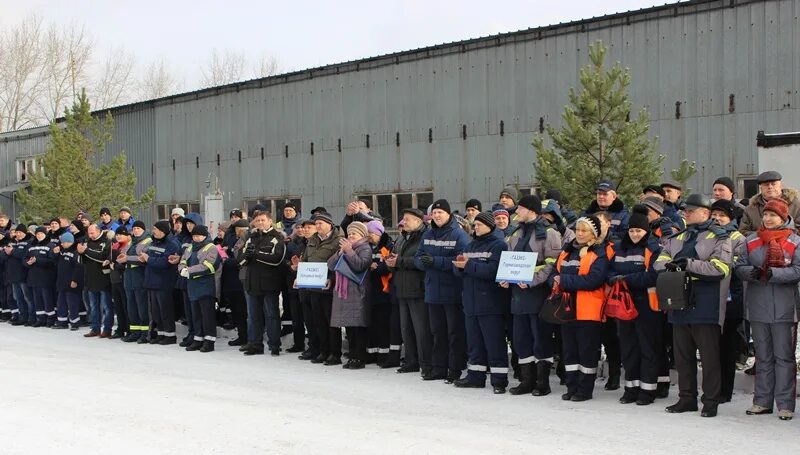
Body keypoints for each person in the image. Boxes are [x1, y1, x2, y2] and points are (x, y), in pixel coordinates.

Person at [656, 194, 732, 418]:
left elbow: (720, 269)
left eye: (691, 210)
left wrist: (688, 264)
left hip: (705, 304)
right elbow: (659, 263)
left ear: (705, 213)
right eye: (685, 210)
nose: (686, 214)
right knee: (683, 356)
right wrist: (673, 265)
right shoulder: (678, 237)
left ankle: (710, 402)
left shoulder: (720, 237)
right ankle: (686, 398)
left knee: (709, 358)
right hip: (678, 302)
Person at [735, 199, 798, 421]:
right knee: (763, 357)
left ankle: (785, 404)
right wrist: (746, 272)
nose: (768, 219)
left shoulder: (795, 242)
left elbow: (798, 270)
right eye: (766, 215)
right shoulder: (751, 241)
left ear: (783, 218)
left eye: (774, 215)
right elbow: (739, 265)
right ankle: (761, 401)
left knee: (784, 357)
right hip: (758, 306)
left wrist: (776, 274)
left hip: (784, 308)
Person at [503, 195, 562, 396]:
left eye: (520, 208)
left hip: (538, 294)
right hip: (518, 295)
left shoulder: (548, 233)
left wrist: (533, 279)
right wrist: (504, 277)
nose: (516, 212)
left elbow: (553, 263)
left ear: (531, 210)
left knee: (540, 338)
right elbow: (510, 260)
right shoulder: (516, 232)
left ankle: (542, 382)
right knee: (521, 339)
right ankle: (527, 381)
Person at [607, 212, 663, 405]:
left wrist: (625, 279)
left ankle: (647, 390)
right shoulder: (619, 248)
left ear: (645, 231)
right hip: (623, 303)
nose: (635, 234)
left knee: (647, 347)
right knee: (628, 347)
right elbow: (610, 271)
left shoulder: (653, 248)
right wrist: (615, 279)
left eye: (638, 230)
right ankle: (631, 388)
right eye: (631, 230)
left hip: (646, 304)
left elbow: (653, 275)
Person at [553, 215, 610, 402]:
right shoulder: (566, 252)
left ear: (593, 233)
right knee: (569, 350)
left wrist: (565, 281)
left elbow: (594, 280)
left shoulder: (599, 253)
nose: (579, 233)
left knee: (586, 351)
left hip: (588, 310)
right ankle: (572, 386)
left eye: (584, 230)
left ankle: (585, 389)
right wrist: (553, 281)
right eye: (577, 229)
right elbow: (555, 273)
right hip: (567, 308)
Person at [451, 212, 509, 393]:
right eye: (474, 225)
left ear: (490, 225)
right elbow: (460, 272)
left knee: (494, 343)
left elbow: (493, 271)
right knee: (474, 342)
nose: (475, 227)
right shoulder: (470, 245)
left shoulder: (499, 246)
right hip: (470, 301)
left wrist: (468, 265)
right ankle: (475, 376)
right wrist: (459, 267)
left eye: (479, 224)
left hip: (490, 303)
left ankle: (499, 380)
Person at [415, 199, 470, 382]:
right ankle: (438, 368)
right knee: (437, 332)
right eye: (435, 213)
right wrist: (422, 263)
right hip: (432, 291)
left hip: (452, 291)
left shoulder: (459, 235)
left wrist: (436, 262)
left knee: (454, 333)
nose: (437, 216)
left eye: (440, 213)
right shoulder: (428, 234)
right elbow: (418, 257)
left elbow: (461, 260)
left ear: (448, 215)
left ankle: (455, 370)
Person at [387, 208, 431, 376]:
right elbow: (396, 257)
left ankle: (425, 362)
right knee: (406, 328)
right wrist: (390, 262)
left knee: (421, 329)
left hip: (418, 288)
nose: (403, 222)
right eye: (403, 219)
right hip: (402, 288)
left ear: (419, 221)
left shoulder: (425, 237)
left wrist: (401, 261)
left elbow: (423, 261)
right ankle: (411, 360)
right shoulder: (401, 238)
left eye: (407, 219)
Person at [710, 199, 747, 403]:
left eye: (722, 215)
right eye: (714, 215)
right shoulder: (707, 236)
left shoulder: (738, 238)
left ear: (731, 218)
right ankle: (713, 387)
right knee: (710, 347)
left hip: (731, 298)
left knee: (726, 347)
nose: (717, 218)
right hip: (709, 299)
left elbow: (734, 267)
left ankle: (725, 390)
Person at [237, 211, 286, 356]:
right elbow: (240, 260)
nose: (260, 223)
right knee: (254, 315)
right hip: (252, 283)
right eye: (257, 221)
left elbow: (277, 259)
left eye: (263, 220)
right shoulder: (250, 238)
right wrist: (247, 256)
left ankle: (274, 344)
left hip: (270, 283)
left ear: (270, 221)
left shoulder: (277, 238)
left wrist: (256, 255)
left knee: (272, 315)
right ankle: (255, 344)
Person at [327, 221, 373, 369]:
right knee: (349, 328)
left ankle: (359, 357)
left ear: (362, 235)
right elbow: (331, 265)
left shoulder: (365, 248)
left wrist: (349, 251)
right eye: (350, 233)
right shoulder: (347, 248)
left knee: (358, 327)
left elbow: (360, 265)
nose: (351, 235)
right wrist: (340, 252)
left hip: (358, 291)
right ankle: (352, 356)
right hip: (344, 291)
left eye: (354, 233)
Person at [301, 213, 344, 365]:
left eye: (320, 223)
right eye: (316, 224)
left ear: (330, 225)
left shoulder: (338, 241)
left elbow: (340, 264)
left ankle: (335, 353)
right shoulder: (312, 240)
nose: (318, 226)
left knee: (331, 322)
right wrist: (298, 270)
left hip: (328, 288)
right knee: (318, 321)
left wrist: (331, 279)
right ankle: (323, 351)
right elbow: (306, 260)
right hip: (313, 287)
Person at [179, 224, 221, 352]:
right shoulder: (190, 247)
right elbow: (183, 260)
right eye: (194, 236)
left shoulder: (211, 248)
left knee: (207, 315)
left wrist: (189, 271)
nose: (196, 238)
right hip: (193, 286)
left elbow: (209, 266)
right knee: (195, 314)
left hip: (205, 286)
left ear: (204, 236)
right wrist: (182, 269)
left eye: (199, 236)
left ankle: (209, 341)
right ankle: (198, 339)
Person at [142, 220, 180, 345]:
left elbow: (165, 262)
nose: (153, 231)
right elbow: (150, 256)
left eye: (156, 229)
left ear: (162, 231)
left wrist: (149, 259)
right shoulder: (154, 242)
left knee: (166, 310)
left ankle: (170, 335)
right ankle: (161, 333)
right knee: (156, 311)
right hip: (152, 281)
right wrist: (144, 258)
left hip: (164, 281)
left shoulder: (172, 244)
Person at [365, 220, 395, 366]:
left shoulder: (387, 246)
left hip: (384, 292)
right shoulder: (368, 247)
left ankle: (384, 355)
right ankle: (372, 353)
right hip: (370, 291)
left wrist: (375, 269)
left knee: (383, 325)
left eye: (371, 233)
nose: (369, 236)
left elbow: (387, 267)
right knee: (372, 324)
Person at [117, 221, 151, 343]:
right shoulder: (132, 241)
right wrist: (122, 257)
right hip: (129, 277)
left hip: (139, 277)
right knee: (131, 307)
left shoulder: (148, 241)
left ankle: (145, 333)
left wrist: (127, 258)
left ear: (143, 229)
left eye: (138, 228)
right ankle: (135, 332)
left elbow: (143, 258)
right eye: (134, 228)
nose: (135, 230)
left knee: (142, 307)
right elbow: (123, 253)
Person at [78, 224, 114, 337]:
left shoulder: (106, 241)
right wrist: (80, 253)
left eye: (92, 233)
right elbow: (81, 260)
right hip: (90, 278)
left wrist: (86, 251)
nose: (90, 235)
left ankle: (107, 329)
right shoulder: (87, 241)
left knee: (106, 306)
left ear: (98, 231)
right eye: (89, 233)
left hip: (103, 278)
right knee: (93, 306)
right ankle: (95, 328)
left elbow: (103, 257)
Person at [740, 171, 800, 235]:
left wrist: (781, 236)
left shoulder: (796, 205)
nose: (770, 187)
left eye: (773, 184)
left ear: (780, 186)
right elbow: (742, 231)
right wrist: (762, 236)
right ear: (761, 188)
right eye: (766, 185)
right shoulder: (750, 209)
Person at [223, 218, 251, 346]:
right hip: (233, 280)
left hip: (242, 279)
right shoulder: (235, 240)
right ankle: (242, 335)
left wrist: (226, 260)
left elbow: (242, 260)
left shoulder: (248, 241)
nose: (238, 232)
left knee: (242, 310)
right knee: (237, 310)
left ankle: (246, 337)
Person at [5, 225, 34, 326]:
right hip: (13, 274)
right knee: (17, 297)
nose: (18, 234)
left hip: (23, 274)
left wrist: (12, 251)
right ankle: (22, 317)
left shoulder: (29, 242)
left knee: (27, 297)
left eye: (20, 232)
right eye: (17, 232)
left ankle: (31, 317)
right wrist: (9, 252)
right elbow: (6, 254)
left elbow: (24, 254)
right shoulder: (12, 242)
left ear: (25, 233)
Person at [109, 227, 130, 339]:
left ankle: (128, 328)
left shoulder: (128, 246)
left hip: (123, 279)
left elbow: (125, 262)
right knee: (118, 307)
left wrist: (116, 265)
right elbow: (111, 258)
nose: (118, 236)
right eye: (117, 235)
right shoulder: (115, 246)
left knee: (126, 306)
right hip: (114, 279)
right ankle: (120, 329)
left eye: (121, 234)